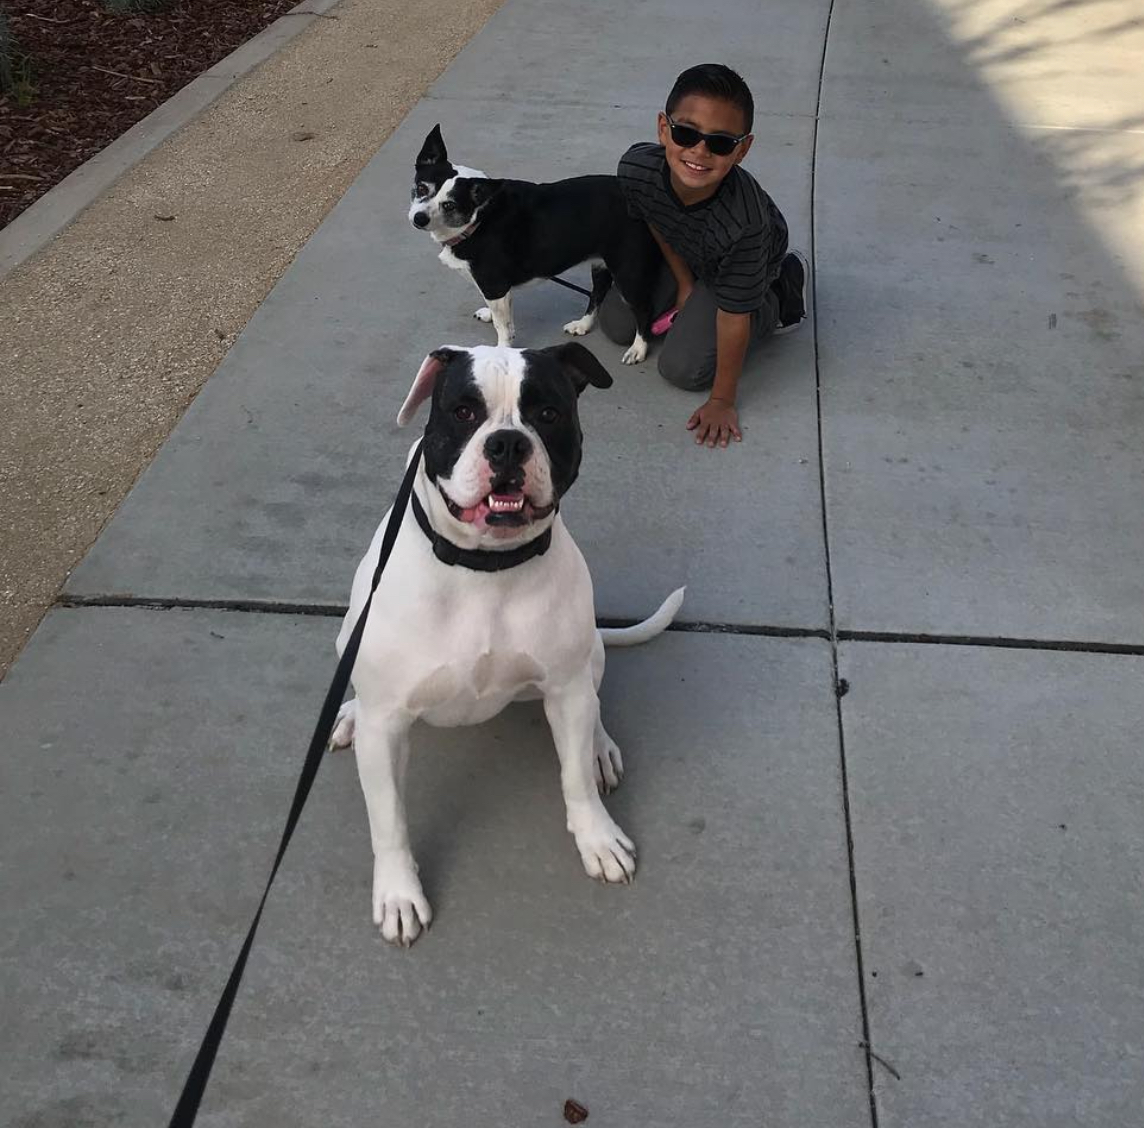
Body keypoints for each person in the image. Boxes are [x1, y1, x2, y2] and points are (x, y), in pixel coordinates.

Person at [600, 63, 807, 449]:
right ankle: (694, 291)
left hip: (739, 266)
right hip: (690, 250)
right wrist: (684, 284)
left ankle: (781, 293)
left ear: (742, 149)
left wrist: (722, 401)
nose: (700, 150)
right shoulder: (636, 169)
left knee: (683, 369)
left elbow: (732, 317)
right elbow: (656, 219)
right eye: (686, 133)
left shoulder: (746, 224)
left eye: (721, 142)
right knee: (616, 324)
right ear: (663, 129)